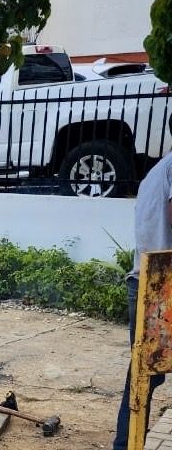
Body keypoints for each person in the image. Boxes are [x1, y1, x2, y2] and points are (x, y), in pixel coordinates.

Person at [112, 152, 172, 449]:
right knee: (143, 376)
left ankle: (125, 445)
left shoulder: (156, 172)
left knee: (142, 376)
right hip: (163, 287)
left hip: (148, 283)